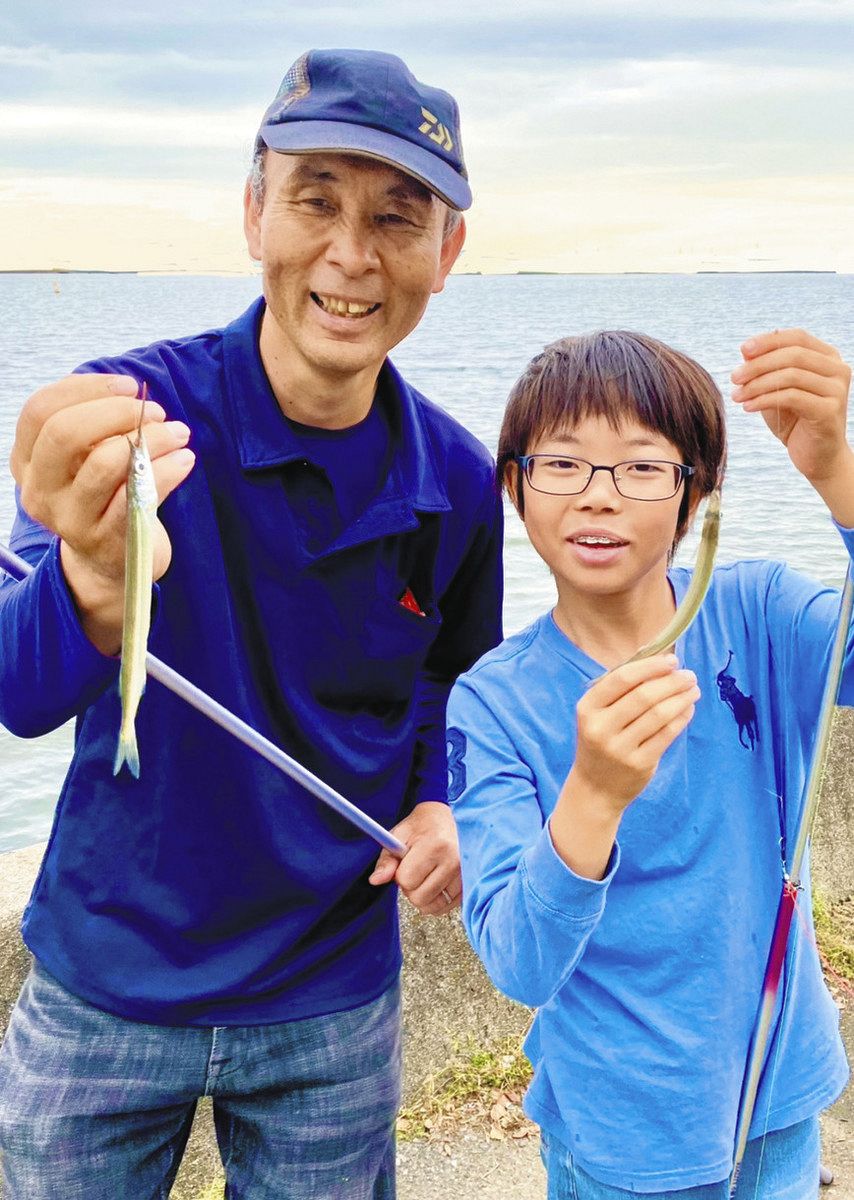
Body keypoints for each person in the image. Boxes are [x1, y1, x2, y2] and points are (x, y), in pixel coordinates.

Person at [0, 49, 503, 1199]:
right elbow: (17, 692)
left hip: (329, 997)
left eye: (396, 217)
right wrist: (88, 576)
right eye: (315, 199)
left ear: (447, 252)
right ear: (252, 212)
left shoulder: (458, 482)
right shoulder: (130, 422)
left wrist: (438, 798)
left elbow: (452, 686)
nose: (350, 253)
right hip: (103, 984)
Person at [446, 328, 853, 1198]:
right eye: (561, 464)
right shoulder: (493, 705)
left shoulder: (761, 614)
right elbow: (519, 962)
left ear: (695, 492)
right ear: (515, 485)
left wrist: (836, 473)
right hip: (621, 1132)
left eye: (640, 467)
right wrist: (592, 797)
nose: (599, 498)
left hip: (779, 1094)